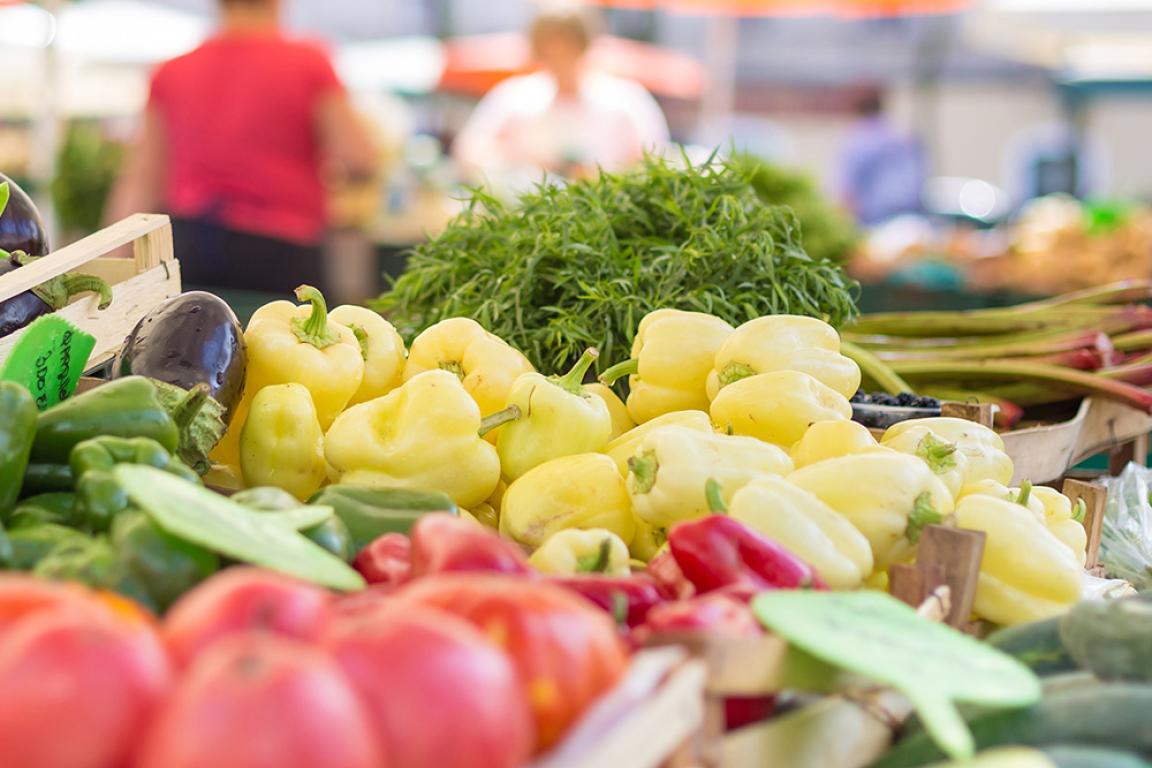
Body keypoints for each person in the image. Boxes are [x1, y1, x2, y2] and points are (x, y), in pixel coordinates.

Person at [105, 0, 376, 294]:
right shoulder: (309, 61)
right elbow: (358, 158)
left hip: (191, 244)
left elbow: (142, 179)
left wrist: (110, 265)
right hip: (281, 248)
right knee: (292, 336)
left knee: (192, 337)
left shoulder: (172, 71)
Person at [453, 3, 670, 184]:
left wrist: (599, 176)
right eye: (549, 49)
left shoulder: (626, 101)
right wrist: (523, 160)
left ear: (584, 46)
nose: (559, 57)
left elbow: (654, 162)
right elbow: (469, 151)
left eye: (567, 47)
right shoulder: (514, 98)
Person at [837, 90, 926, 228]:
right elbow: (920, 178)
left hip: (872, 223)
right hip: (911, 219)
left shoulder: (857, 139)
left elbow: (847, 190)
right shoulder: (904, 135)